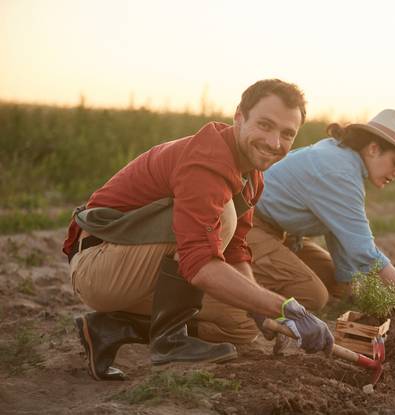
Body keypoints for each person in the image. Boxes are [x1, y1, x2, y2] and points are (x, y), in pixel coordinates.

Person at [63, 79, 334, 381]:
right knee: (225, 216)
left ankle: (109, 328)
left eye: (287, 134)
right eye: (265, 125)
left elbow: (235, 249)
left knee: (240, 323)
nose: (274, 142)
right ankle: (169, 340)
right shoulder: (208, 161)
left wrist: (260, 309)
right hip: (98, 263)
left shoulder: (252, 175)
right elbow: (200, 263)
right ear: (239, 117)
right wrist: (285, 307)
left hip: (130, 267)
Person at [247, 109, 395, 326]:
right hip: (248, 225)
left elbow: (338, 233)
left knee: (335, 283)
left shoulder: (342, 157)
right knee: (312, 295)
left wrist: (348, 288)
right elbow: (365, 253)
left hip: (281, 233)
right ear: (373, 148)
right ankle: (239, 295)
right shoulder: (339, 172)